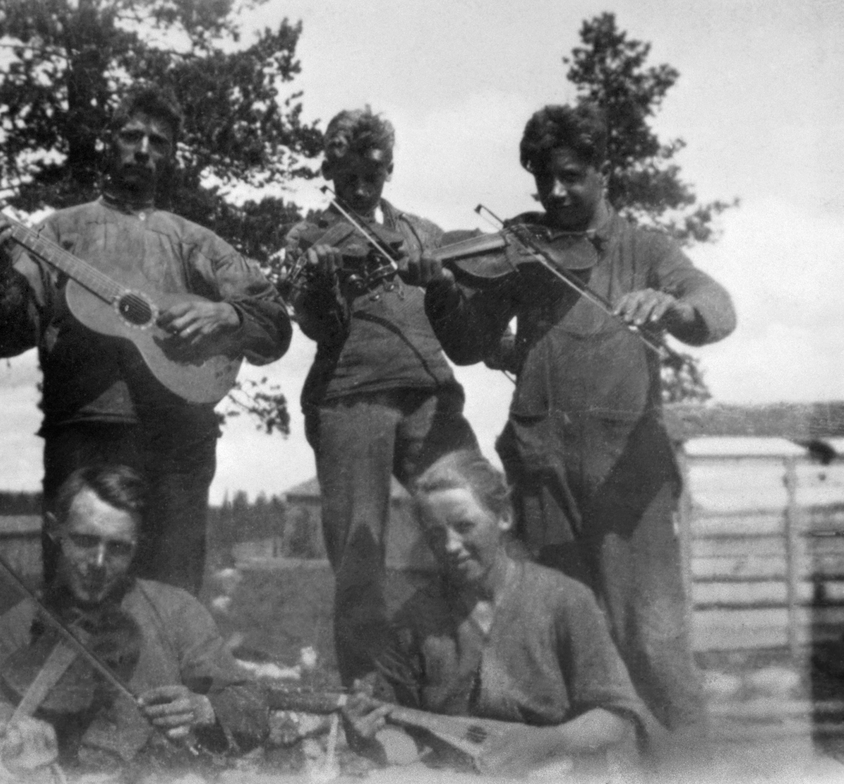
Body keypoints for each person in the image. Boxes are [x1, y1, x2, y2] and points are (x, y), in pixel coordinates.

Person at [408, 103, 736, 736]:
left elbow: (716, 309)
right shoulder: (525, 250)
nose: (554, 193)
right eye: (543, 179)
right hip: (539, 481)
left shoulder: (646, 249)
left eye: (570, 176)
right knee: (559, 648)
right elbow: (471, 344)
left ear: (601, 171)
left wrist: (673, 306)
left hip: (626, 485)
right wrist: (442, 292)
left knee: (652, 643)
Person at [0, 85, 291, 595]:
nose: (143, 149)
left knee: (173, 589)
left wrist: (227, 315)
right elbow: (0, 336)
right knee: (79, 591)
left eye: (158, 142)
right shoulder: (60, 232)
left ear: (171, 157)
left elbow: (274, 325)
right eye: (131, 136)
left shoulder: (196, 242)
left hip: (179, 440)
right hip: (87, 431)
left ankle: (168, 678)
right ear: (109, 142)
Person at [282, 107, 479, 686]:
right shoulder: (308, 236)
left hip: (431, 393)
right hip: (351, 398)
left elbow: (462, 322)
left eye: (373, 175)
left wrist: (439, 280)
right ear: (330, 170)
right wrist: (320, 284)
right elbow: (316, 325)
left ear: (389, 169)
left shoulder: (423, 232)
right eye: (348, 177)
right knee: (359, 556)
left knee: (473, 518)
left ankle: (468, 678)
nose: (361, 189)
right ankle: (370, 694)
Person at [342, 452, 657, 777]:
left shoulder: (564, 600)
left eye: (465, 526)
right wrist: (372, 737)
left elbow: (616, 716)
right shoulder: (413, 620)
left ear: (504, 517)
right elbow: (405, 736)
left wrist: (549, 741)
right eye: (435, 534)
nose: (450, 545)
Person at [0, 464, 269, 768]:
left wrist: (205, 709)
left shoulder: (177, 612)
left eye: (118, 548)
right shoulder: (11, 630)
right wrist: (6, 748)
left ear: (137, 547)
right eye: (85, 541)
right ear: (56, 532)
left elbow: (252, 705)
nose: (99, 563)